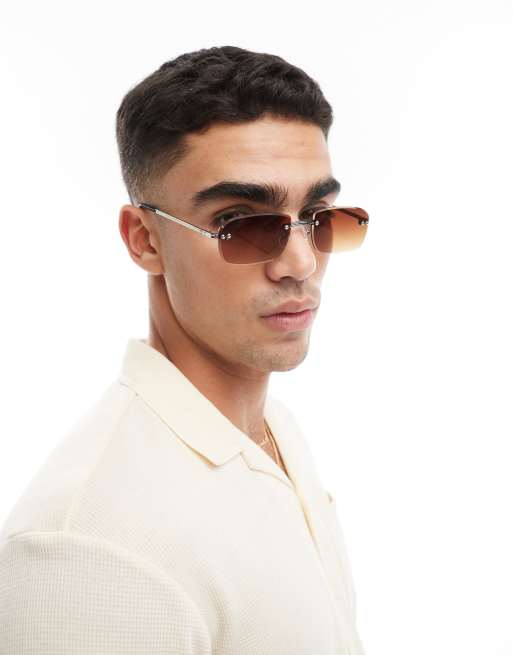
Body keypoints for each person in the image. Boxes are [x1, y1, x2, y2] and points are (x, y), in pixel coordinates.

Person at [0, 46, 369, 654]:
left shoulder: (273, 433)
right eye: (241, 223)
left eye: (318, 215)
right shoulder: (90, 549)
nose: (301, 262)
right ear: (145, 240)